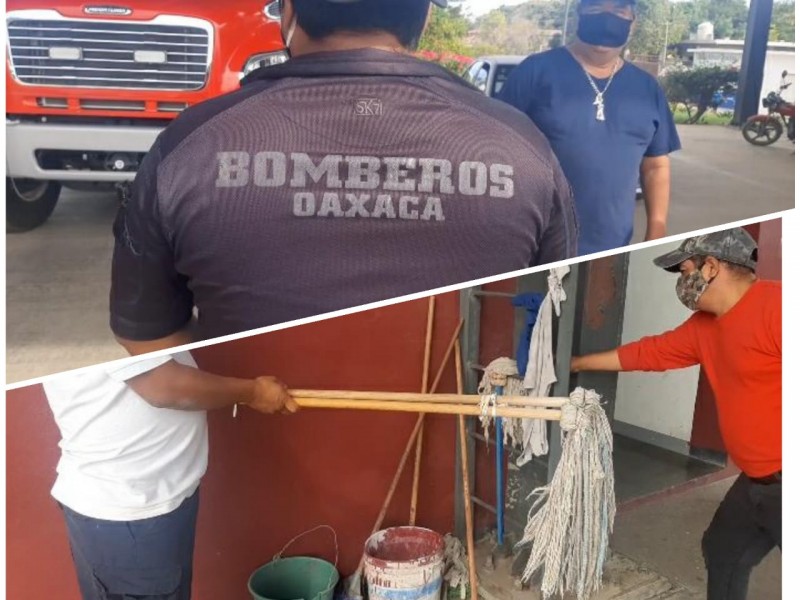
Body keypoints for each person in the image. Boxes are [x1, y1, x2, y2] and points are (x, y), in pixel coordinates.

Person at [110, 0, 578, 355]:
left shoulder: (191, 144)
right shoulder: (520, 146)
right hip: (467, 453)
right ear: (425, 19)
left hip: (257, 446)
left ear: (288, 13)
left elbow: (144, 339)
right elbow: (557, 313)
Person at [571, 228, 781, 600]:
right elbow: (649, 353)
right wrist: (576, 362)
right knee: (723, 550)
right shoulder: (705, 327)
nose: (683, 283)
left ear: (712, 266)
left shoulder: (778, 308)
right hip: (755, 482)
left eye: (685, 271)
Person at [43, 352, 296, 600]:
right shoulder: (107, 319)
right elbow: (165, 387)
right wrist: (254, 392)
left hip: (137, 505)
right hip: (129, 512)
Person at [498, 0, 680, 255]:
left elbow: (656, 165)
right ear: (578, 15)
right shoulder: (535, 72)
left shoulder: (647, 90)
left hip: (613, 249)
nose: (607, 18)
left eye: (618, 11)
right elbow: (496, 151)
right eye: (596, 9)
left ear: (633, 22)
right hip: (535, 247)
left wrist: (657, 228)